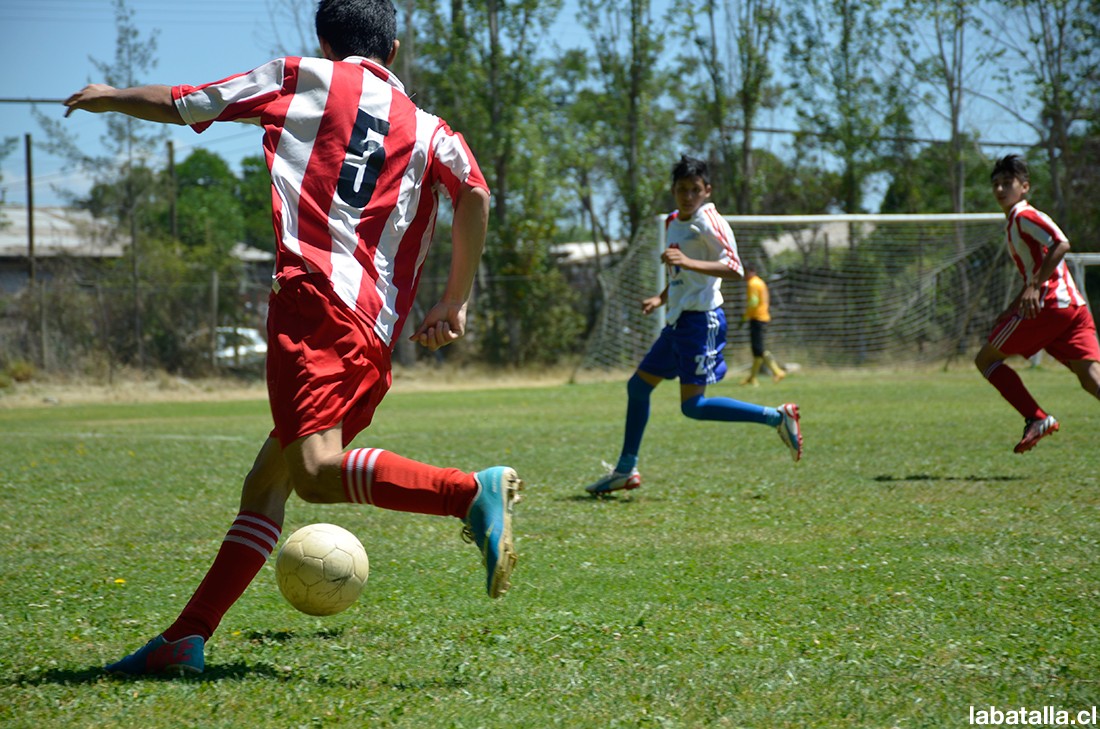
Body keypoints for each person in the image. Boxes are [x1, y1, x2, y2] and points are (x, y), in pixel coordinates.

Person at [64, 0, 521, 676]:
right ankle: (184, 637)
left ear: (326, 41)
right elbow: (476, 193)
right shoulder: (430, 128)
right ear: (392, 50)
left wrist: (111, 97)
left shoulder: (301, 76)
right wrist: (454, 299)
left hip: (313, 303)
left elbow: (187, 101)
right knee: (267, 484)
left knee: (313, 473)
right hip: (373, 330)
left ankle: (466, 492)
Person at [584, 156, 803, 495]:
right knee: (637, 388)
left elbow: (734, 268)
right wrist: (662, 296)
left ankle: (778, 416)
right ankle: (626, 469)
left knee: (693, 406)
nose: (688, 196)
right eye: (682, 190)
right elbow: (681, 273)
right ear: (673, 191)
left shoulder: (710, 221)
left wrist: (686, 261)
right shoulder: (674, 221)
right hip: (678, 321)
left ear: (707, 191)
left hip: (703, 321)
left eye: (695, 190)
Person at [975, 154, 1100, 453]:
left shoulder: (1023, 216)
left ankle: (1036, 418)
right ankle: (1036, 418)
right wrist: (1012, 306)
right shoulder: (1014, 223)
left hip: (1050, 307)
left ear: (1025, 187)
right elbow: (1039, 267)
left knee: (986, 360)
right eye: (996, 184)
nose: (1001, 190)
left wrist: (1034, 286)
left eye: (1008, 183)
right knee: (1089, 375)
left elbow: (1061, 243)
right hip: (1073, 307)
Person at [740, 263, 786, 386]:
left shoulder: (752, 283)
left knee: (758, 349)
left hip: (757, 317)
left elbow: (753, 301)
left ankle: (777, 371)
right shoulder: (760, 282)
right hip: (763, 316)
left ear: (751, 271)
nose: (744, 276)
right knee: (758, 350)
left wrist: (745, 316)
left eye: (745, 272)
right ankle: (752, 377)